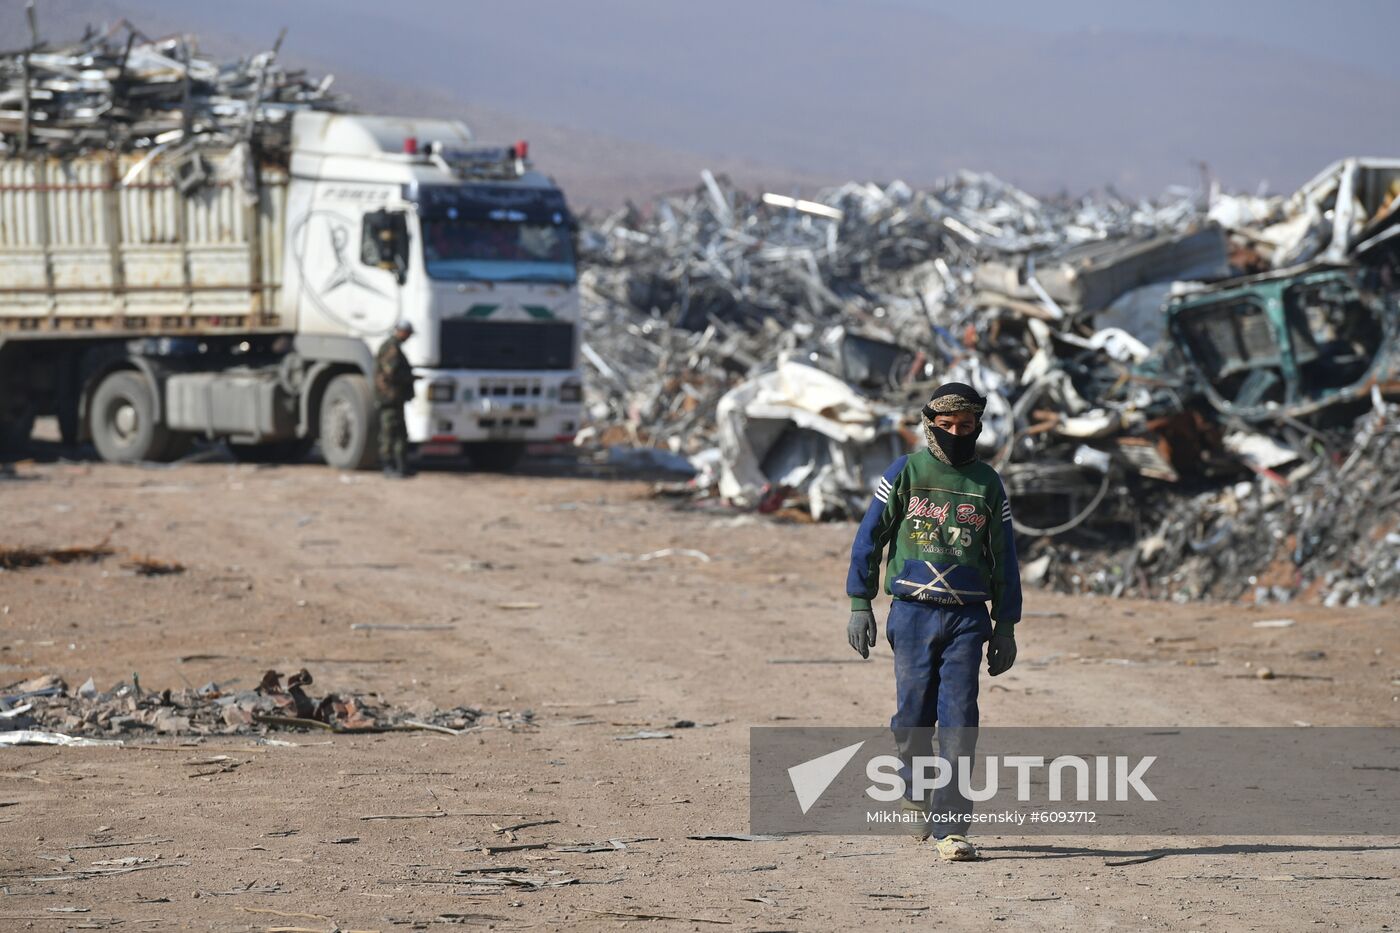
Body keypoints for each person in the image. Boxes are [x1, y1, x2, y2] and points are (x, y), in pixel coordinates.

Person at [845, 382, 1022, 861]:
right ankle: (914, 788)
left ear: (977, 428)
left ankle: (951, 826)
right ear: (930, 425)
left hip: (967, 618)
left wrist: (1005, 625)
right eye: (947, 426)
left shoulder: (988, 483)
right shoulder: (905, 472)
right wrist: (860, 602)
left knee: (961, 720)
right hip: (914, 612)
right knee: (913, 718)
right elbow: (871, 536)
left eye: (965, 427)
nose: (956, 434)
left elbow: (1004, 556)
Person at [374, 320, 416, 478]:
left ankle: (401, 466)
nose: (409, 337)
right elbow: (390, 374)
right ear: (401, 331)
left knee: (400, 432)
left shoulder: (396, 347)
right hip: (389, 398)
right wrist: (409, 377)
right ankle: (388, 465)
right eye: (408, 333)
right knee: (389, 433)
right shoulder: (391, 348)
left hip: (396, 398)